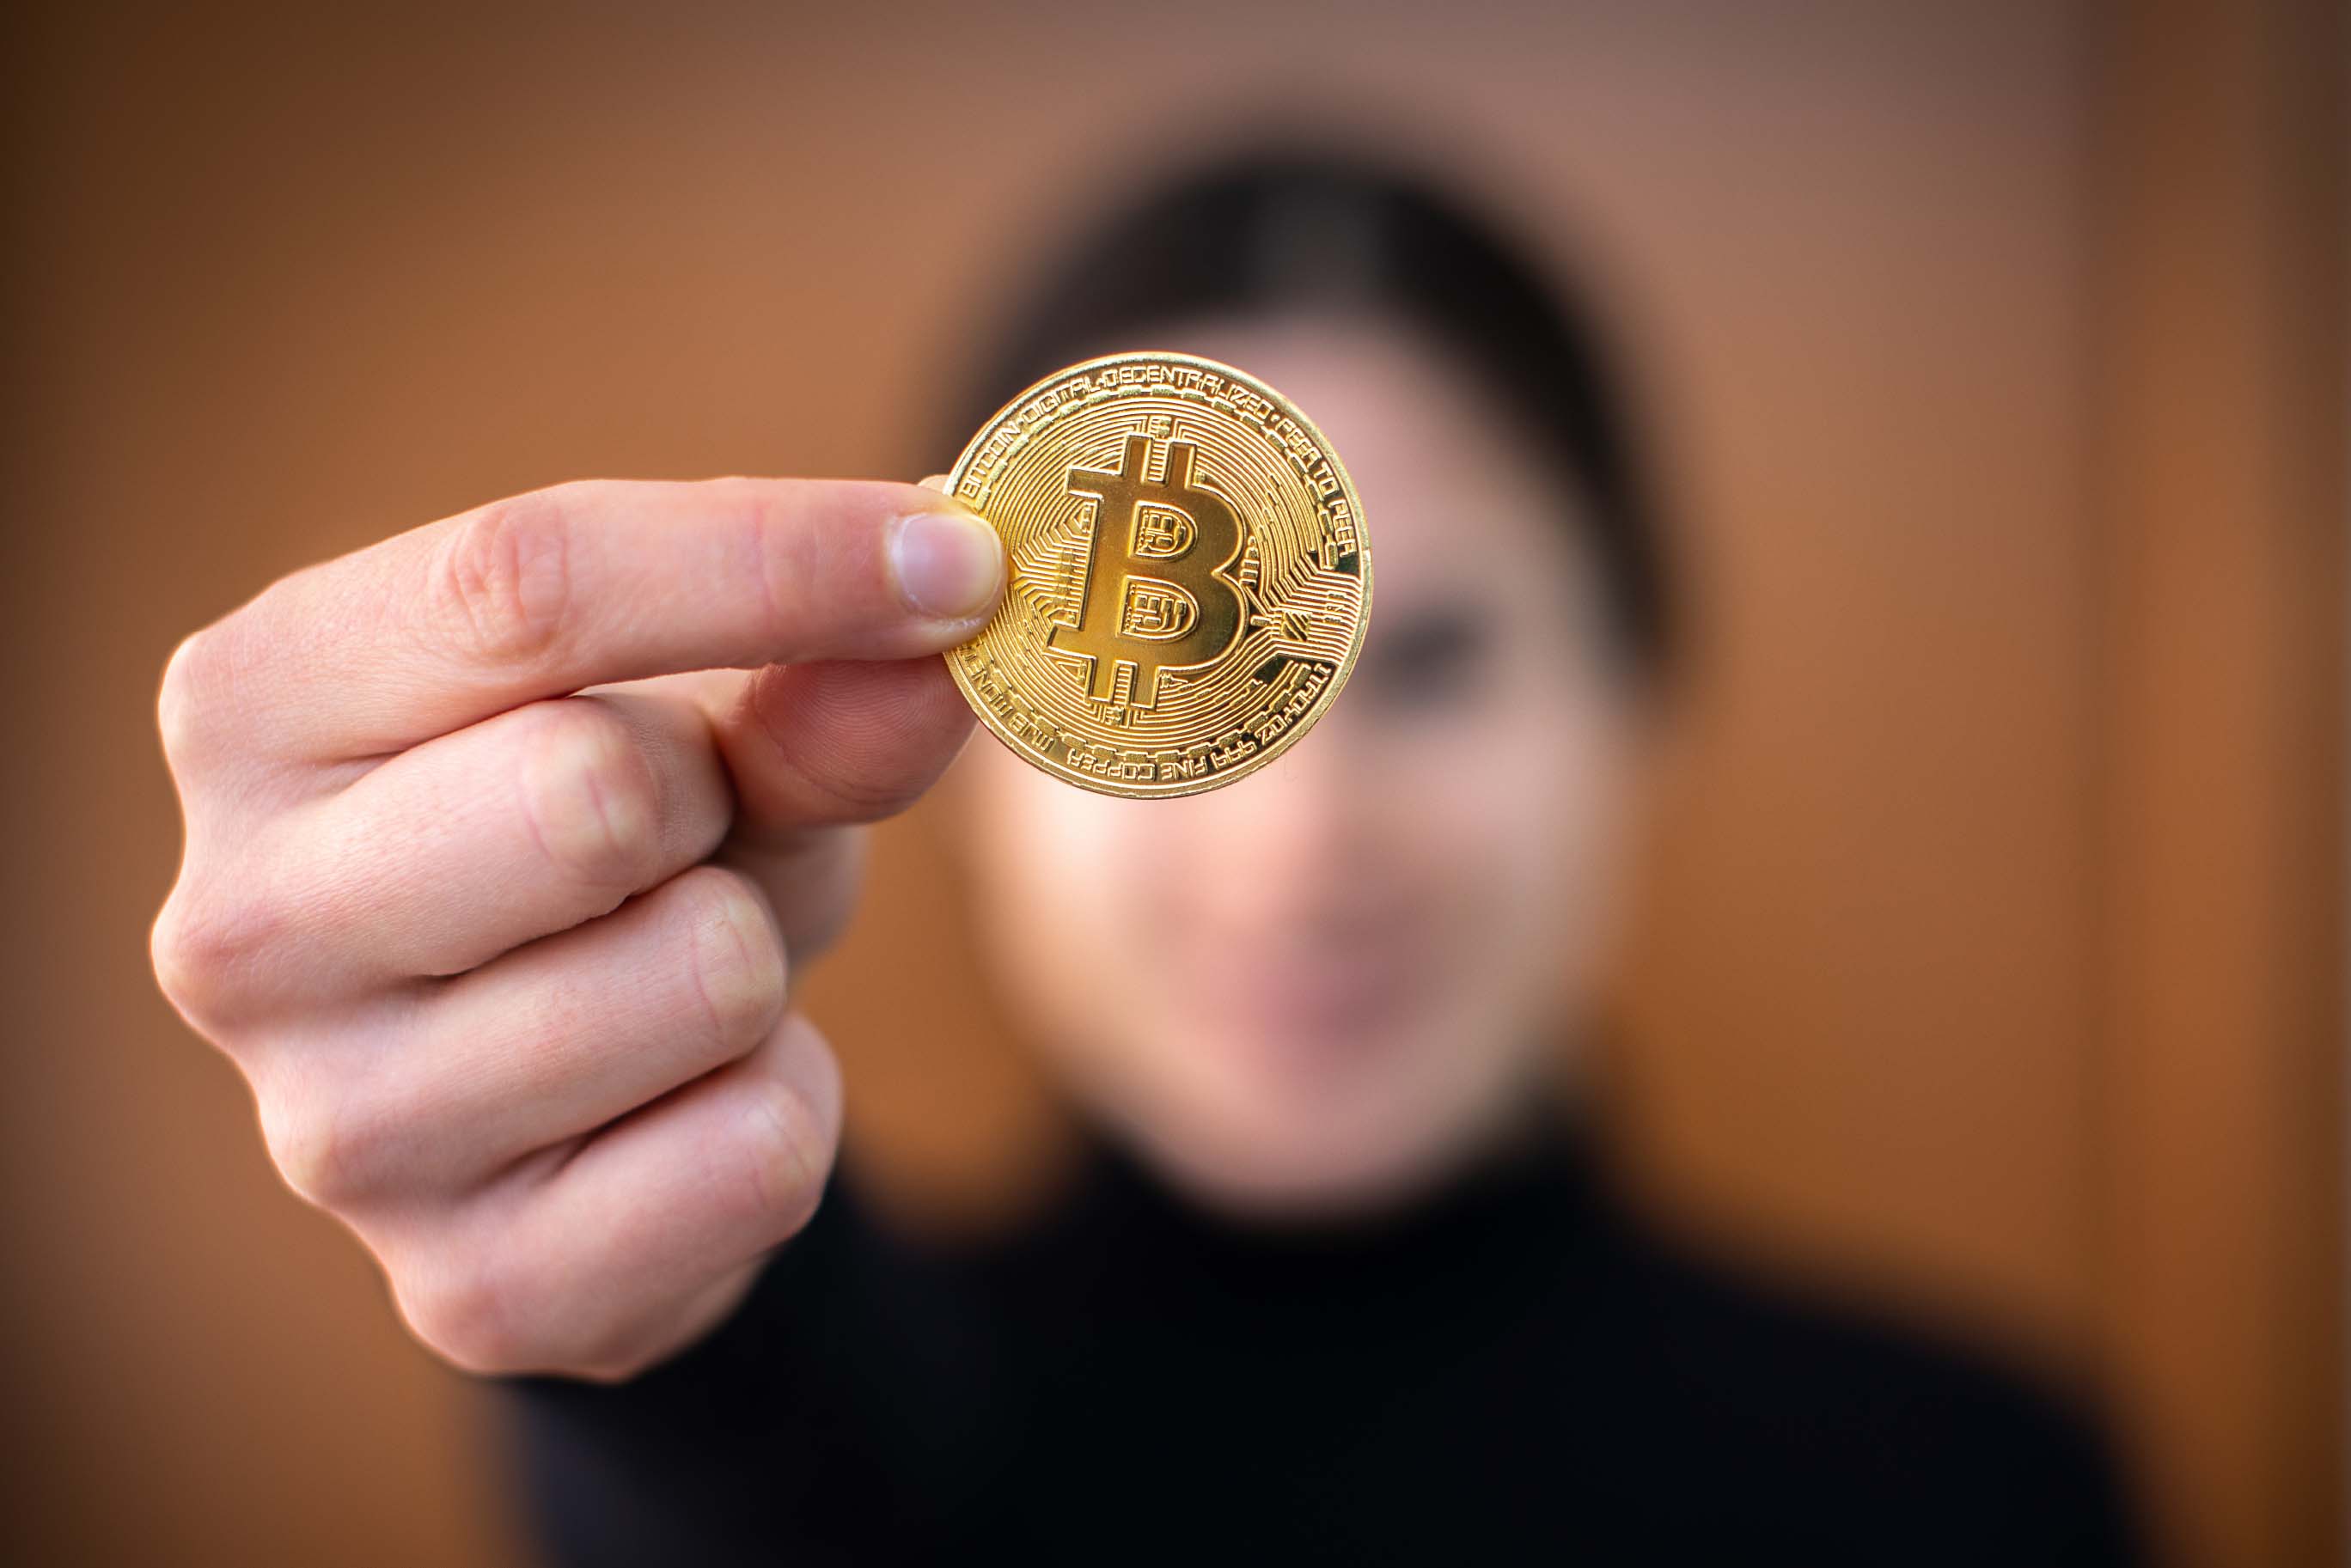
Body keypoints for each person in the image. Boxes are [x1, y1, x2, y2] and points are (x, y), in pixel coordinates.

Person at [150, 149, 2138, 1563]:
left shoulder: (1981, 1486)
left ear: (1642, 690)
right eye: (1158, 673)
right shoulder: (826, 1422)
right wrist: (667, 1317)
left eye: (1429, 660)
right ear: (977, 738)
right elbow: (763, 1476)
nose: (1299, 841)